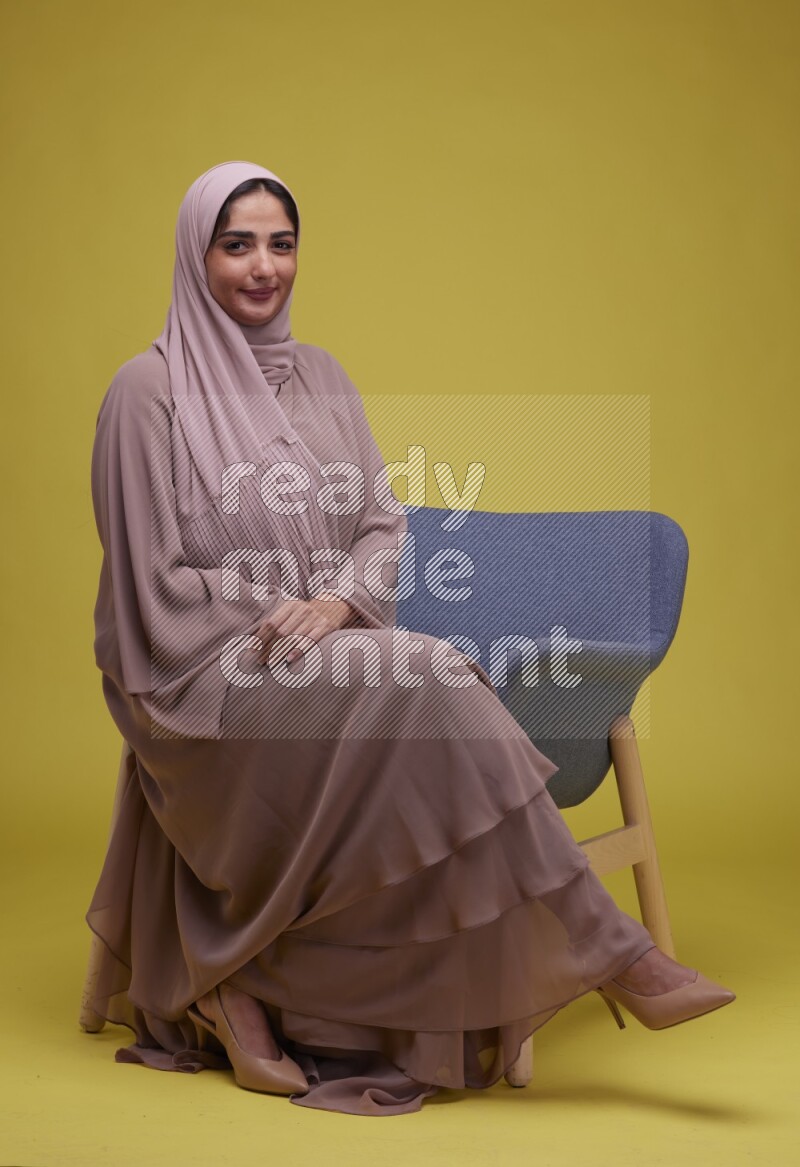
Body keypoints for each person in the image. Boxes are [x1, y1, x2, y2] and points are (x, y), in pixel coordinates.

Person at [85, 160, 734, 1117]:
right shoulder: (147, 393)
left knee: (415, 678)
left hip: (323, 654)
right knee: (428, 666)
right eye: (237, 245)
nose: (264, 267)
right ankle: (616, 950)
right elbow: (150, 585)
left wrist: (340, 603)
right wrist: (283, 612)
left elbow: (382, 527)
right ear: (195, 255)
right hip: (202, 672)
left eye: (281, 242)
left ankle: (312, 990)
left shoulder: (322, 377)